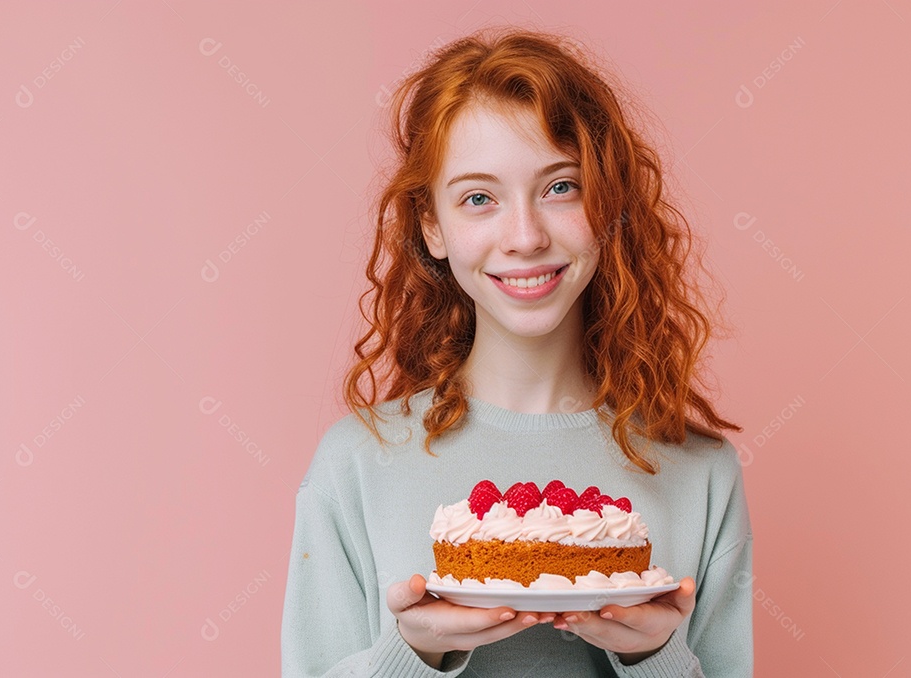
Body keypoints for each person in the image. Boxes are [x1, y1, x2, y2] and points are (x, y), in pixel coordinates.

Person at [281, 27, 753, 677]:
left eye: (561, 187)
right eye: (479, 198)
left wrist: (654, 656)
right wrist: (412, 653)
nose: (525, 236)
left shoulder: (701, 472)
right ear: (432, 226)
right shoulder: (355, 465)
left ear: (608, 200)